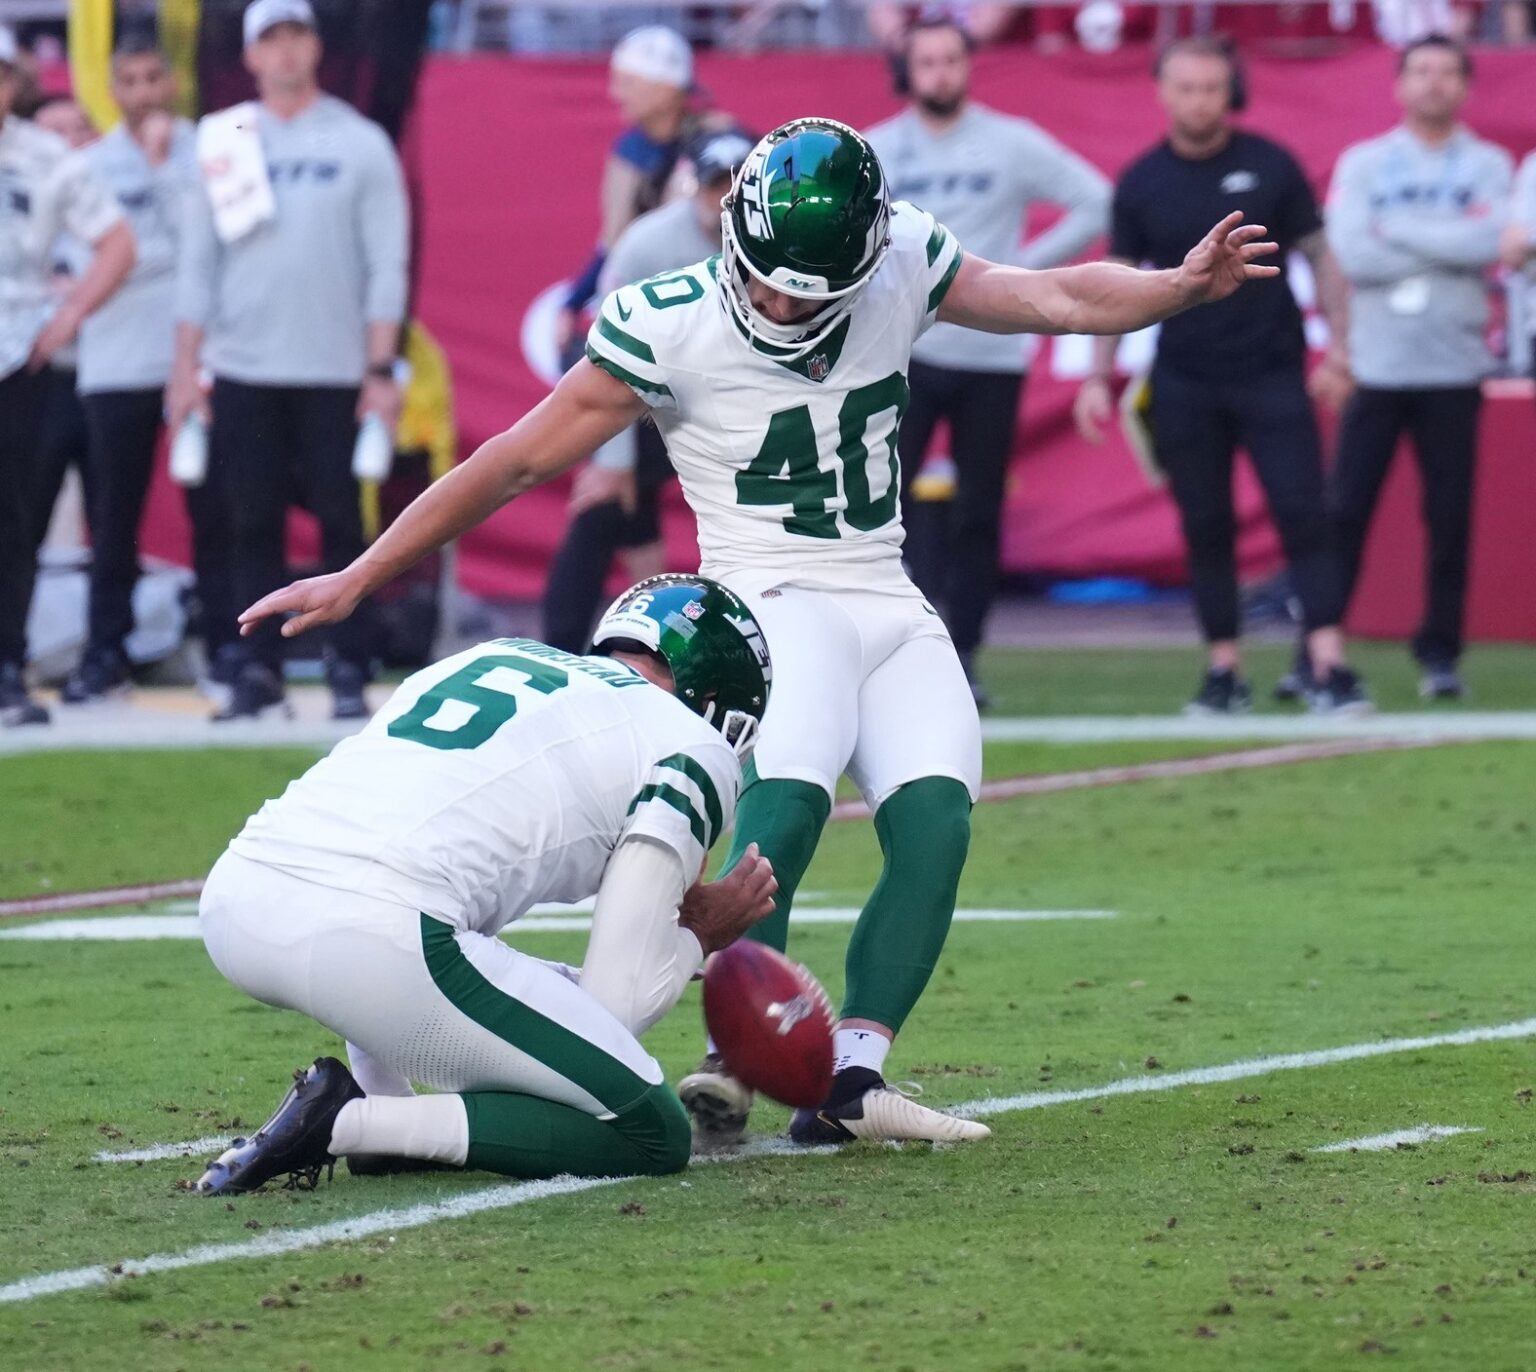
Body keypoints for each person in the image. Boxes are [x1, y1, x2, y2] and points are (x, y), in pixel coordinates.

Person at [239, 117, 1280, 1148]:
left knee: (937, 825)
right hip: (766, 596)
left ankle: (852, 1076)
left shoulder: (903, 259)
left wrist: (1176, 289)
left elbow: (1052, 295)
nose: (779, 304)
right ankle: (733, 1057)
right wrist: (366, 571)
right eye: (764, 280)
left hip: (884, 586)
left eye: (806, 293)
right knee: (784, 807)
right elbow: (514, 459)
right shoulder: (670, 322)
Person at [195, 576, 776, 1193]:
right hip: (374, 937)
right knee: (651, 1128)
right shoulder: (693, 745)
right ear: (718, 699)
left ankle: (381, 1101)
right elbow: (615, 1009)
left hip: (238, 900)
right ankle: (351, 1122)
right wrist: (697, 935)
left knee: (417, 903)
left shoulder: (496, 655)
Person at [1073, 37, 1367, 716]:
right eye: (1187, 87)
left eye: (1212, 87)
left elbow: (1322, 258)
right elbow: (1113, 284)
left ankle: (1328, 663)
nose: (1200, 101)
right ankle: (1223, 670)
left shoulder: (1271, 164)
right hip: (1186, 380)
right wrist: (1096, 376)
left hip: (1272, 372)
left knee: (1304, 513)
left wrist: (1341, 352)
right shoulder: (1142, 181)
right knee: (1205, 524)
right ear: (1162, 92)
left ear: (1230, 91)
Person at [167, 0, 409, 721]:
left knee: (342, 524)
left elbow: (387, 264)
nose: (285, 51)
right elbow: (197, 263)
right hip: (244, 366)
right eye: (270, 39)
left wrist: (379, 369)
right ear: (250, 55)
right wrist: (186, 368)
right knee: (250, 522)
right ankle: (259, 670)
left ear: (316, 46)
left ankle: (348, 665)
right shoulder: (225, 137)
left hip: (335, 369)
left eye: (296, 35)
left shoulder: (359, 140)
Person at [865, 16, 1110, 706]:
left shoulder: (1010, 141)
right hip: (904, 353)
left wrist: (1019, 275)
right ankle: (892, 653)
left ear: (969, 65)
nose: (940, 72)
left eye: (951, 59)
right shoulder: (876, 150)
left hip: (991, 354)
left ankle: (964, 655)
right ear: (906, 70)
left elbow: (1097, 201)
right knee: (882, 508)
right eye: (927, 61)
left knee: (979, 510)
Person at [1326, 36, 1511, 702]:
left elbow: (1491, 243)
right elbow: (1354, 253)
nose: (1434, 82)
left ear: (1465, 86)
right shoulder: (1365, 161)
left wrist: (1397, 228)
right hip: (1376, 366)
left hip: (1453, 368)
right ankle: (1319, 648)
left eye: (1447, 72)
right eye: (1421, 70)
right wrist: (1445, 241)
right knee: (1344, 514)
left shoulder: (1489, 164)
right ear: (1399, 84)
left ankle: (1441, 655)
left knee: (1449, 521)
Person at [61, 38, 238, 704]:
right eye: (128, 81)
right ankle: (105, 655)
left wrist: (163, 172)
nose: (141, 92)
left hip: (200, 360)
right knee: (112, 520)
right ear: (112, 90)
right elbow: (81, 262)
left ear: (171, 83)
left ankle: (227, 652)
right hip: (116, 360)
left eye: (151, 78)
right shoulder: (89, 164)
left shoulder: (210, 149)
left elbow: (218, 245)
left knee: (215, 515)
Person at [542, 128, 754, 654]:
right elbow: (607, 350)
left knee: (645, 514)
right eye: (715, 185)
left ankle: (657, 641)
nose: (724, 200)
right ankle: (572, 646)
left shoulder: (773, 243)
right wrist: (613, 457)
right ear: (692, 184)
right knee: (607, 501)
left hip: (711, 395)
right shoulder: (650, 242)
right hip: (634, 388)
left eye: (736, 186)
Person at [0, 25, 135, 729]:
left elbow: (117, 242)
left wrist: (70, 315)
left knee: (12, 521)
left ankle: (5, 667)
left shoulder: (45, 156)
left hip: (15, 353)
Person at [555, 25, 736, 361]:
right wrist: (572, 303)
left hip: (713, 297)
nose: (615, 93)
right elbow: (613, 240)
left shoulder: (723, 143)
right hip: (647, 293)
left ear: (665, 88)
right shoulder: (629, 152)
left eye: (627, 82)